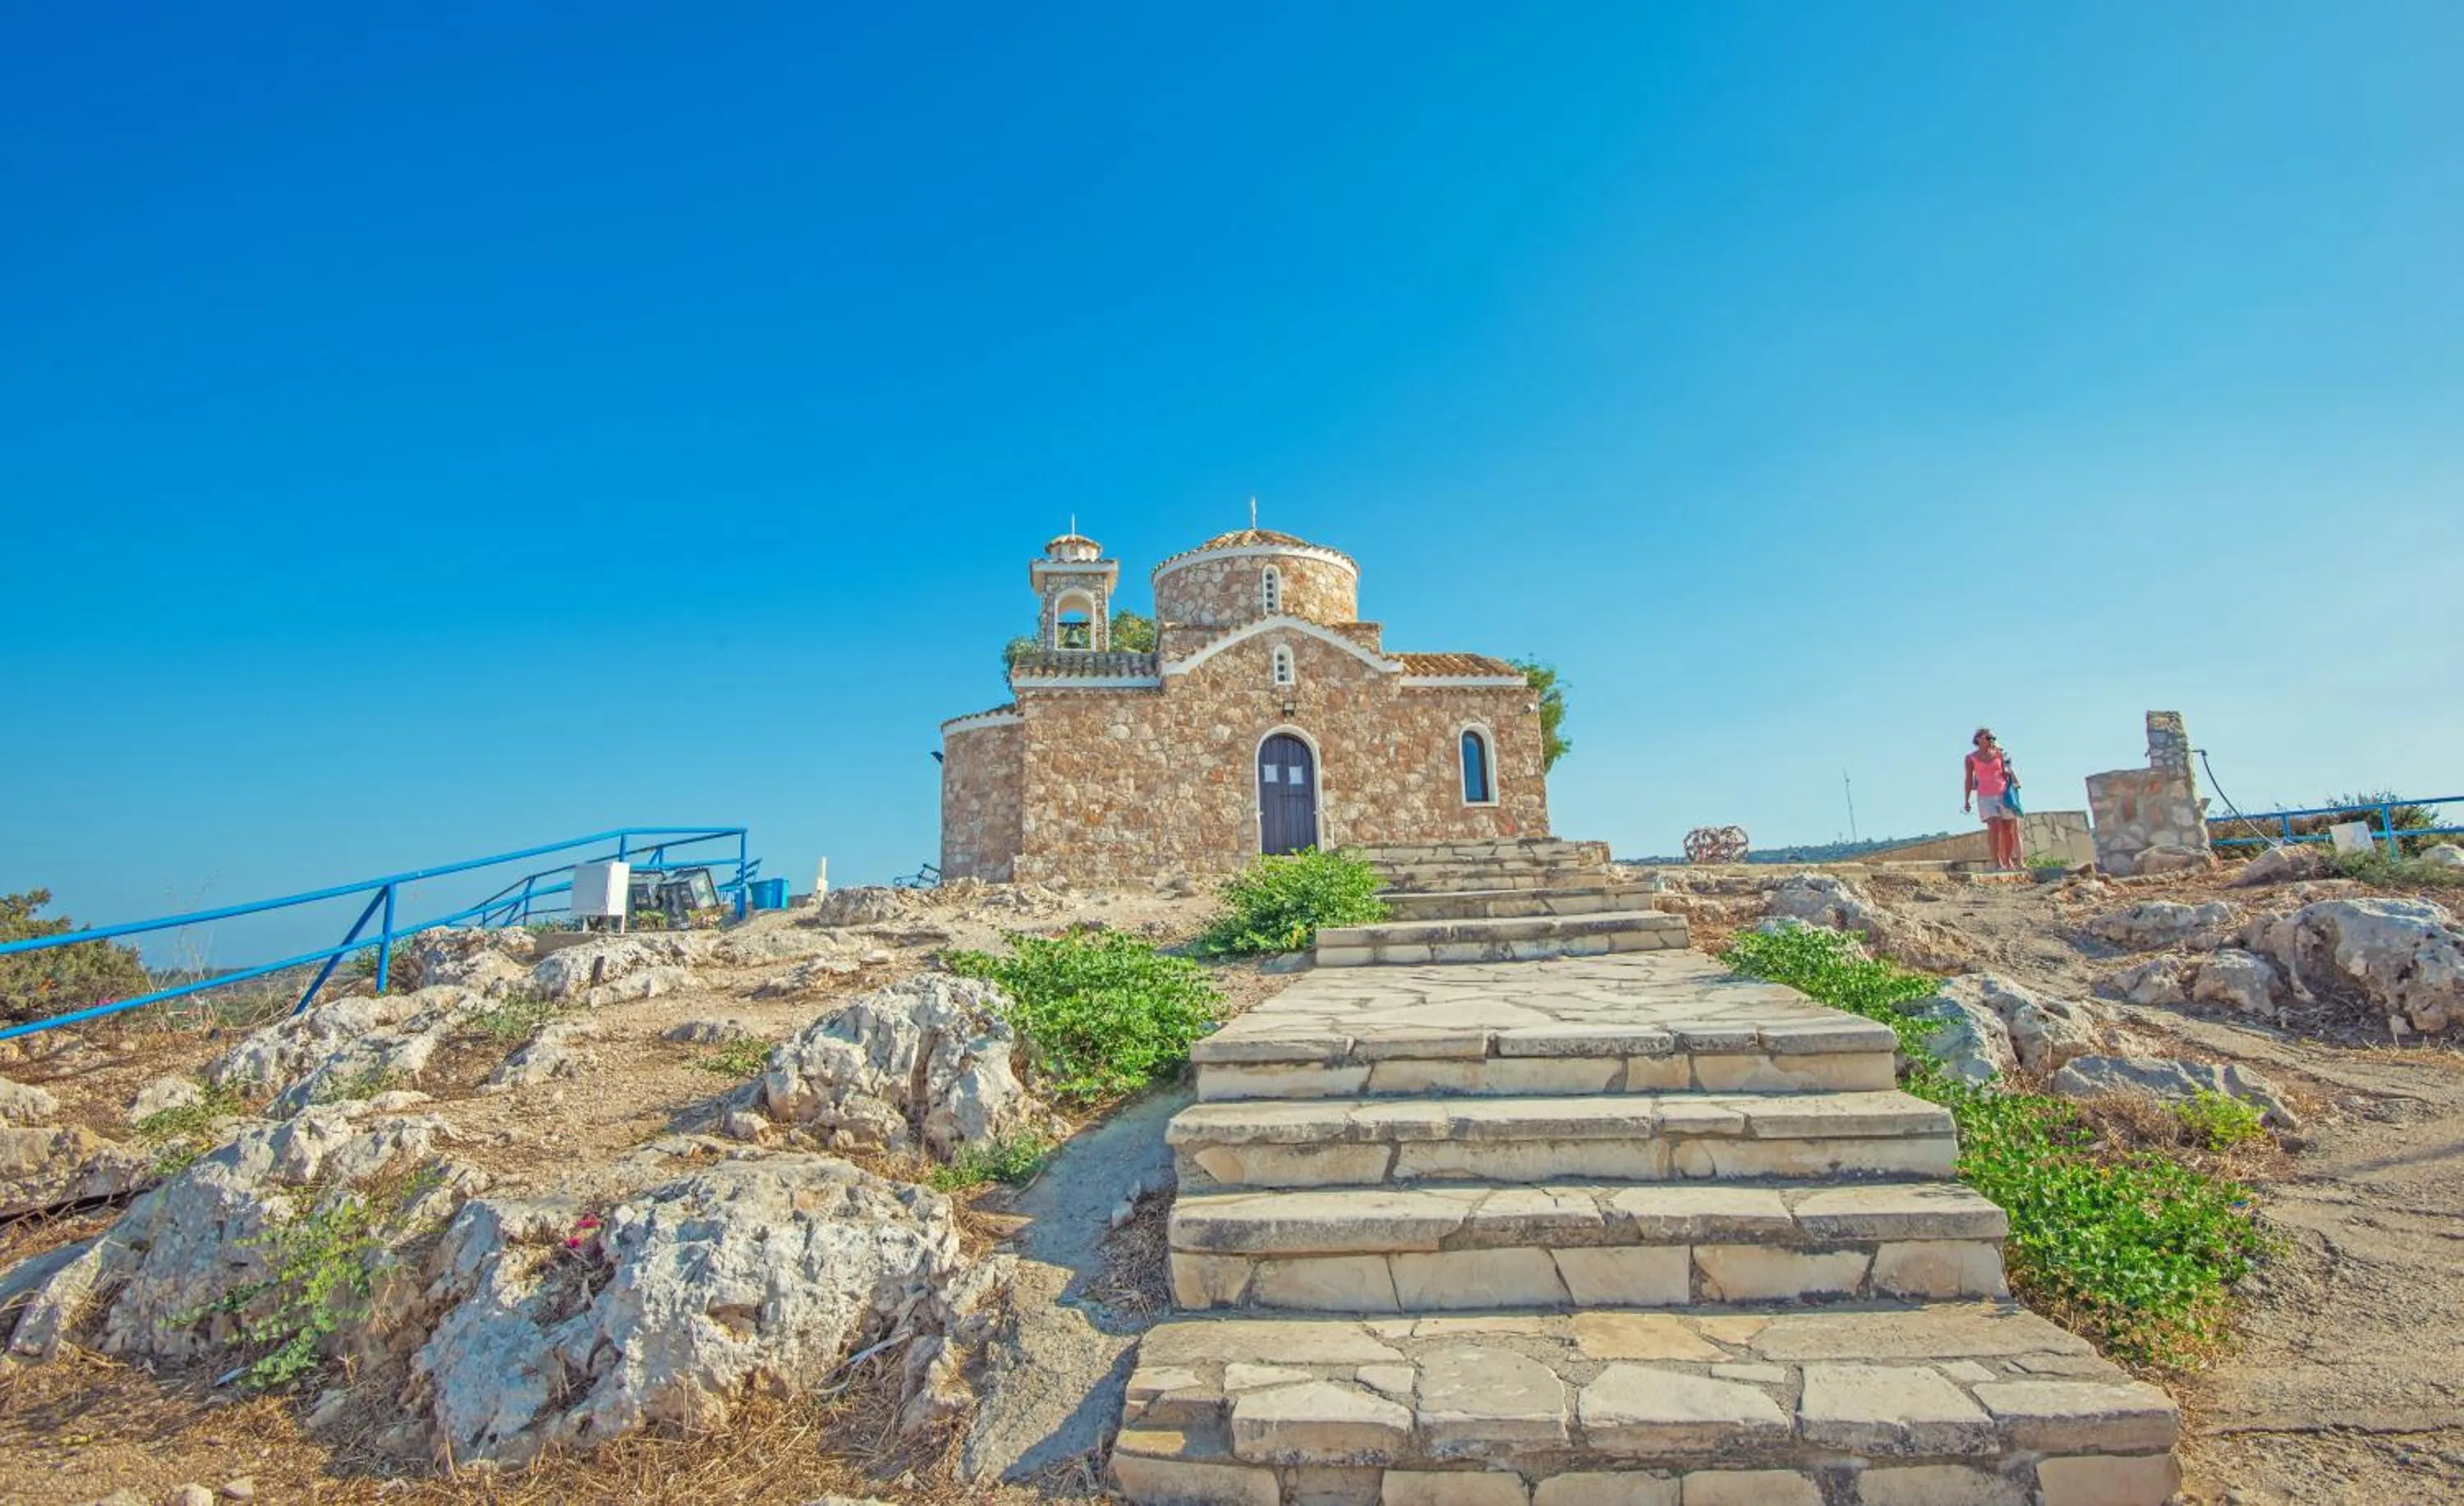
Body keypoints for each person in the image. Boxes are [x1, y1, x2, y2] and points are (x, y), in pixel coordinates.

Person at [1964, 728, 2023, 871]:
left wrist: (2015, 783)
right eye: (1987, 737)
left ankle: (2008, 859)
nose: (1991, 740)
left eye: (1992, 737)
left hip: (2003, 794)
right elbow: (1969, 779)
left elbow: (2009, 770)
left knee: (2009, 829)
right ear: (1978, 739)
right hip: (1985, 796)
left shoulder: (2000, 754)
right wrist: (1966, 799)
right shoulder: (1971, 758)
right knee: (1994, 826)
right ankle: (1998, 862)